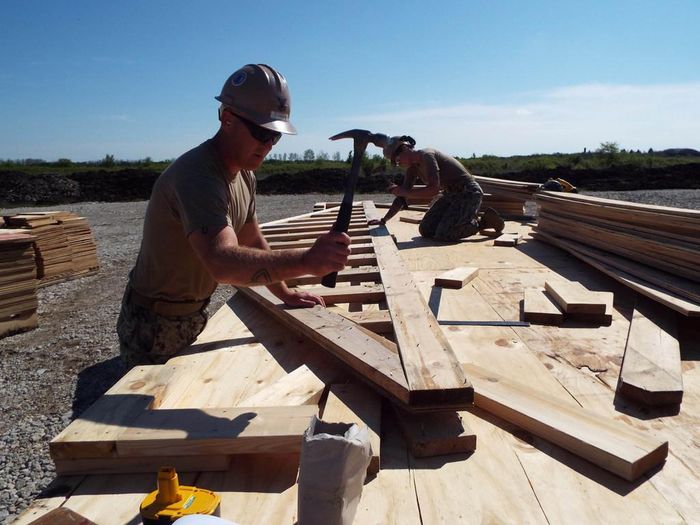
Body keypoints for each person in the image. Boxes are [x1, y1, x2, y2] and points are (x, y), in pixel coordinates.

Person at [117, 64, 351, 368]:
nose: (267, 146)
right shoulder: (197, 177)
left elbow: (251, 236)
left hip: (190, 314)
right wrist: (305, 261)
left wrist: (285, 292)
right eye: (261, 133)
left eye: (275, 137)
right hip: (153, 324)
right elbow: (222, 263)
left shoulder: (243, 174)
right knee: (146, 412)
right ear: (227, 118)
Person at [368, 135, 504, 240]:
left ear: (404, 149)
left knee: (444, 233)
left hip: (468, 193)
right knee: (426, 230)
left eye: (397, 160)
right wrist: (384, 220)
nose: (399, 164)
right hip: (451, 194)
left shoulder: (427, 155)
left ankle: (484, 222)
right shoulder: (413, 168)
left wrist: (405, 192)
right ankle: (462, 218)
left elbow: (433, 189)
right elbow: (402, 196)